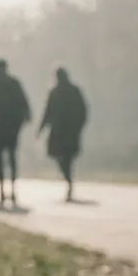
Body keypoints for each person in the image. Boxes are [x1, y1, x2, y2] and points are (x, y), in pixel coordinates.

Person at [0, 59, 32, 207]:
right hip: (12, 128)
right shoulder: (14, 83)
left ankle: (2, 191)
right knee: (12, 159)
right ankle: (13, 190)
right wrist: (24, 119)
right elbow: (24, 103)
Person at [38, 67, 88, 202]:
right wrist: (79, 126)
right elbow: (83, 110)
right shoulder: (73, 91)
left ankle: (68, 179)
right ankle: (68, 179)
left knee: (61, 156)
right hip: (70, 131)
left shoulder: (55, 92)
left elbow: (47, 113)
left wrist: (41, 129)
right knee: (66, 157)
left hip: (61, 131)